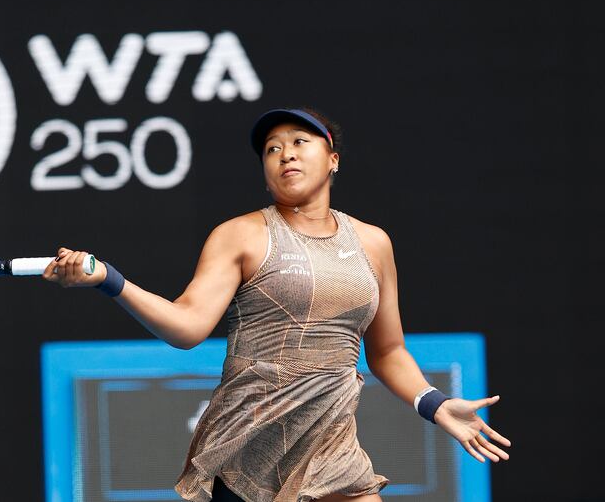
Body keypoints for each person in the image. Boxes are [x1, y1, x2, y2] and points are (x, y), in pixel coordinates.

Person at [43, 108, 512, 501]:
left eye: (299, 141)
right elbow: (186, 327)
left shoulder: (373, 244)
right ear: (266, 176)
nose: (285, 152)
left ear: (332, 159)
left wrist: (434, 403)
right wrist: (110, 280)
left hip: (333, 450)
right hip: (248, 448)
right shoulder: (241, 235)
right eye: (272, 148)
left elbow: (387, 351)